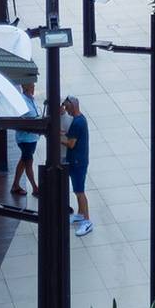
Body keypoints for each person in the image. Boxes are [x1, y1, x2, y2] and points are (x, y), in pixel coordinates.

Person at [62, 95, 91, 234]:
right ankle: (80, 215)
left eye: (67, 107)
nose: (65, 109)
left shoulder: (77, 123)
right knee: (77, 189)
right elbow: (72, 136)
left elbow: (71, 143)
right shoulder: (80, 119)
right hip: (79, 160)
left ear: (72, 106)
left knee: (80, 192)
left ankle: (87, 221)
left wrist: (56, 138)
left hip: (77, 162)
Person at [11, 80, 40, 197]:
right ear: (27, 88)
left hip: (31, 137)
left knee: (24, 161)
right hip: (26, 138)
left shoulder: (30, 98)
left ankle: (15, 185)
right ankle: (35, 187)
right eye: (32, 86)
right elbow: (31, 115)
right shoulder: (23, 100)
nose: (34, 89)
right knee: (28, 162)